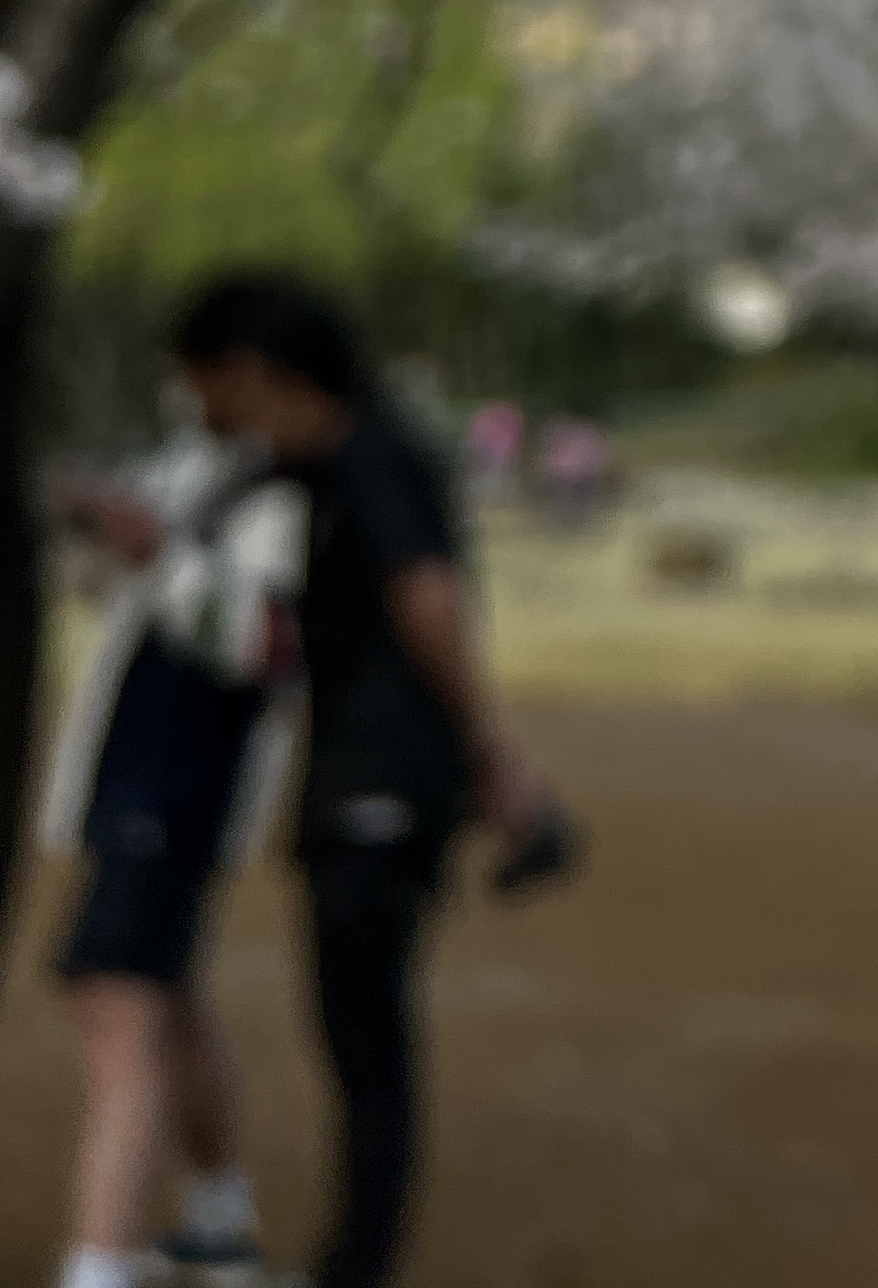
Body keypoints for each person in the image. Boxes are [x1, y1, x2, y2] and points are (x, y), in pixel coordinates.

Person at [171, 272, 561, 1288]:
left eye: (202, 382)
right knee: (351, 1028)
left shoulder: (375, 457)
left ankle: (358, 1268)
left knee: (366, 1036)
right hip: (352, 774)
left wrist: (492, 754)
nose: (201, 409)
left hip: (382, 782)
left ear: (252, 373)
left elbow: (427, 601)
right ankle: (355, 1261)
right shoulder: (314, 468)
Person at [40, 385, 308, 1288]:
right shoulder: (190, 467)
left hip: (180, 787)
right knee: (168, 1002)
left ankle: (98, 1266)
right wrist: (98, 529)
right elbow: (108, 592)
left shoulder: (289, 495)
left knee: (117, 1014)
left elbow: (267, 644)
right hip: (130, 782)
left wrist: (159, 552)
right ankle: (218, 1223)